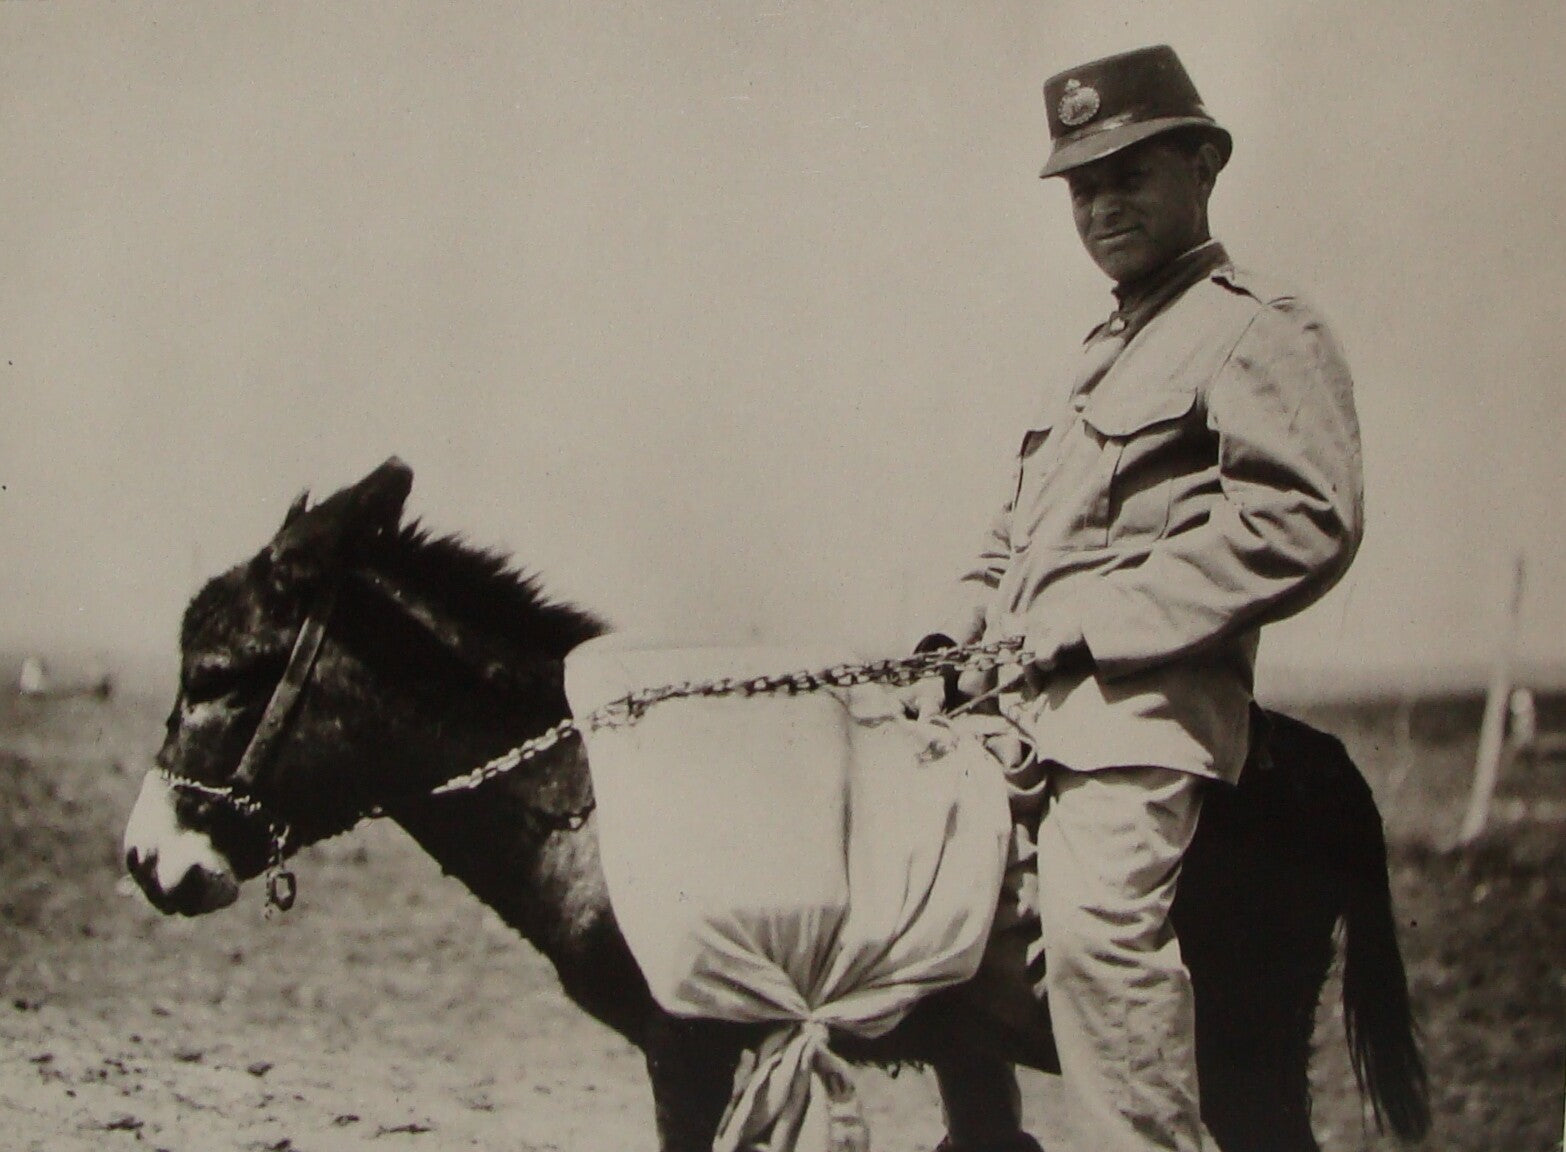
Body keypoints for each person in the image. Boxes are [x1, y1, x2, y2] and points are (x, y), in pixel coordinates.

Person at [906, 45, 1365, 1152]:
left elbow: (1304, 516)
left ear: (1204, 163)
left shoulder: (1256, 325)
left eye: (1129, 174)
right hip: (1004, 711)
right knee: (897, 901)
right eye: (1081, 186)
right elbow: (1016, 538)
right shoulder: (1099, 355)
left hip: (1135, 719)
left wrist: (1088, 625)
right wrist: (950, 630)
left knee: (1099, 945)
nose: (1102, 205)